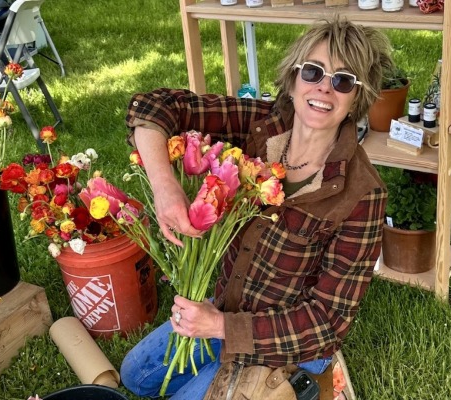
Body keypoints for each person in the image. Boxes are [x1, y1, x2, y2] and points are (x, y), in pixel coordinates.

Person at [120, 17, 392, 399]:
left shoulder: (361, 194)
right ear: (294, 78)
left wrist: (221, 328)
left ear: (356, 98)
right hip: (225, 306)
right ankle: (218, 366)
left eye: (343, 80)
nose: (324, 88)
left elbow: (327, 323)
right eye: (313, 71)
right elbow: (154, 106)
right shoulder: (261, 127)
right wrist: (165, 187)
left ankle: (304, 382)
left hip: (287, 340)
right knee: (134, 375)